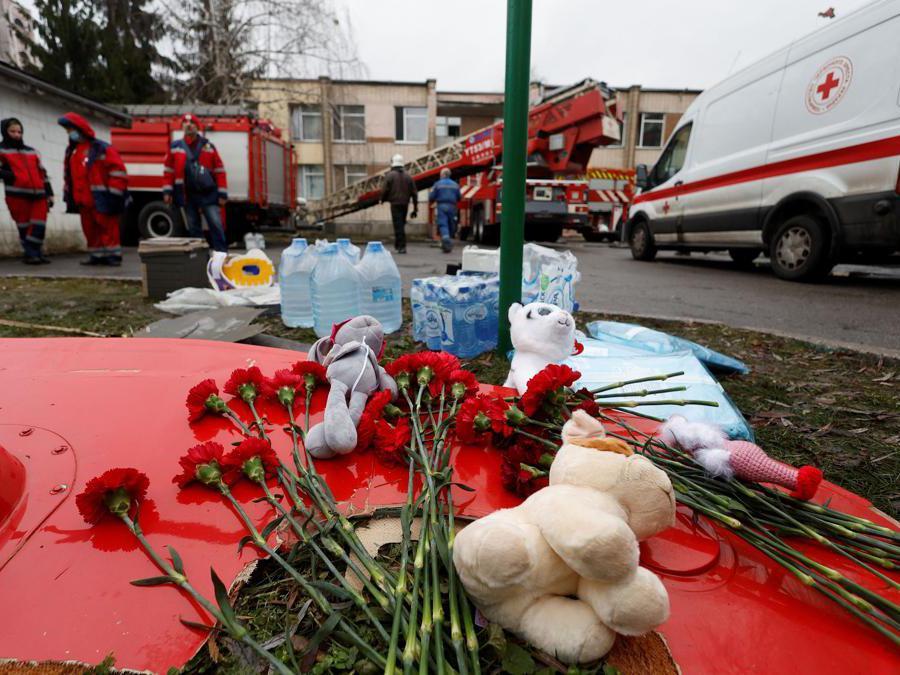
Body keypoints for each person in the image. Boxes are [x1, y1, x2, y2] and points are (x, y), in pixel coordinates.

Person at [59, 112, 127, 266]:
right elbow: (69, 174)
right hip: (83, 199)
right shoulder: (73, 151)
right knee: (90, 228)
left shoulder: (101, 148)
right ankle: (96, 255)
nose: (70, 134)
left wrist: (114, 194)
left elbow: (117, 171)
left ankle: (113, 256)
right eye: (68, 131)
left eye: (70, 130)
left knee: (107, 227)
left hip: (101, 197)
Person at [163, 114, 228, 252]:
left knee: (216, 225)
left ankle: (222, 256)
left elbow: (219, 170)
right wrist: (167, 191)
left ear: (197, 126)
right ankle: (200, 259)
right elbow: (169, 171)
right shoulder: (175, 147)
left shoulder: (208, 146)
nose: (188, 124)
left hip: (208, 194)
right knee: (193, 228)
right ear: (182, 127)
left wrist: (222, 193)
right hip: (187, 195)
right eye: (185, 122)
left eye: (192, 122)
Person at [0, 118, 54, 264]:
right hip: (16, 196)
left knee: (39, 225)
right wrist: (11, 176)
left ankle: (34, 252)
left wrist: (49, 193)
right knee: (24, 227)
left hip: (39, 195)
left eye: (19, 131)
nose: (17, 134)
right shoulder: (2, 150)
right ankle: (33, 254)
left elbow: (42, 173)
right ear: (5, 132)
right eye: (13, 131)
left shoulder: (31, 151)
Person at [380, 153, 417, 254]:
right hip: (405, 204)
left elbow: (385, 190)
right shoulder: (408, 177)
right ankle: (398, 245)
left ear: (393, 163)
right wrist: (415, 209)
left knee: (398, 225)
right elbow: (414, 193)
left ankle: (401, 246)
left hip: (395, 204)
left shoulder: (390, 176)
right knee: (401, 224)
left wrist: (382, 200)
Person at [428, 168, 461, 253]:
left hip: (441, 206)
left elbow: (431, 197)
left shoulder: (437, 184)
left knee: (443, 224)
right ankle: (449, 238)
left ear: (442, 175)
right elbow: (459, 197)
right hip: (452, 206)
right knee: (451, 223)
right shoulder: (455, 184)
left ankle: (446, 241)